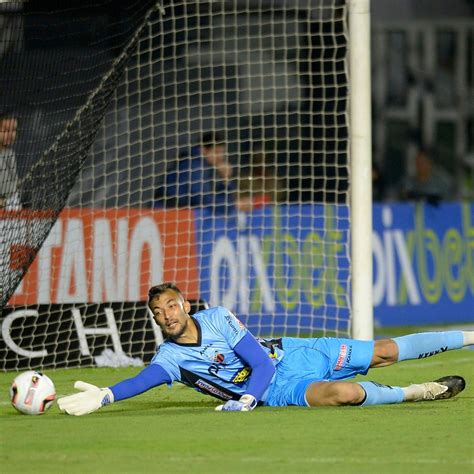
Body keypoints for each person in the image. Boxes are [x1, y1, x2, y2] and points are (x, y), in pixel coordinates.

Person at [58, 282, 472, 415]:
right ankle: (419, 392)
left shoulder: (218, 316)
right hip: (278, 391)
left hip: (290, 357)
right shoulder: (171, 359)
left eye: (172, 304)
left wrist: (247, 397)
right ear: (154, 318)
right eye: (158, 311)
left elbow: (259, 362)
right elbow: (143, 380)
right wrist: (106, 395)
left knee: (384, 351)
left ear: (185, 305)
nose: (167, 314)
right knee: (344, 394)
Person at [154, 131, 252, 214]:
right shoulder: (194, 165)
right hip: (165, 213)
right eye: (217, 152)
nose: (221, 157)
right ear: (203, 150)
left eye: (222, 153)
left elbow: (219, 197)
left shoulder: (208, 167)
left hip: (178, 214)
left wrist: (225, 180)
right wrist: (233, 205)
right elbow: (202, 201)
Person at [0, 112, 21, 210]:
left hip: (12, 209)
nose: (11, 134)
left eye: (13, 130)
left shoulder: (10, 153)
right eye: (6, 130)